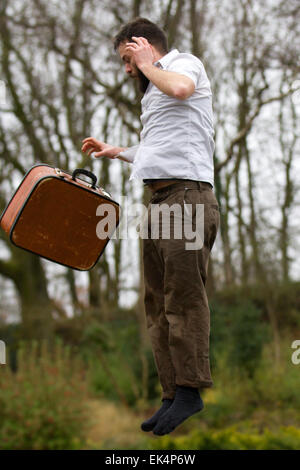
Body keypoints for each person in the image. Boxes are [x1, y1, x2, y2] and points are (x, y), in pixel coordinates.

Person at [81, 17, 220, 436]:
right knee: (156, 305)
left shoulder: (185, 66)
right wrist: (118, 151)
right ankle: (172, 393)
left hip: (188, 198)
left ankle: (192, 389)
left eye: (128, 58)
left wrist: (145, 64)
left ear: (144, 46)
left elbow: (181, 89)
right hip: (158, 201)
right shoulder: (153, 93)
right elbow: (159, 145)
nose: (126, 69)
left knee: (183, 299)